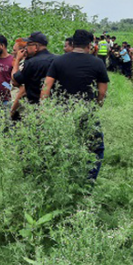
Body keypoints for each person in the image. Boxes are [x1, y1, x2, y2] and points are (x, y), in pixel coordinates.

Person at [41, 29, 109, 181]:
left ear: (73, 43)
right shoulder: (97, 63)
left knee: (63, 146)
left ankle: (65, 180)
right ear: (89, 45)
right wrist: (96, 106)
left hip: (62, 112)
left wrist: (45, 110)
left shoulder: (58, 61)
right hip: (87, 112)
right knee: (96, 148)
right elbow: (102, 92)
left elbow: (46, 88)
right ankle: (87, 183)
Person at [10, 31, 56, 118]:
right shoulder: (56, 60)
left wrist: (17, 60)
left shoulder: (31, 63)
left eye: (28, 45)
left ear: (36, 47)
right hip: (51, 108)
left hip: (33, 108)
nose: (26, 48)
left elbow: (15, 81)